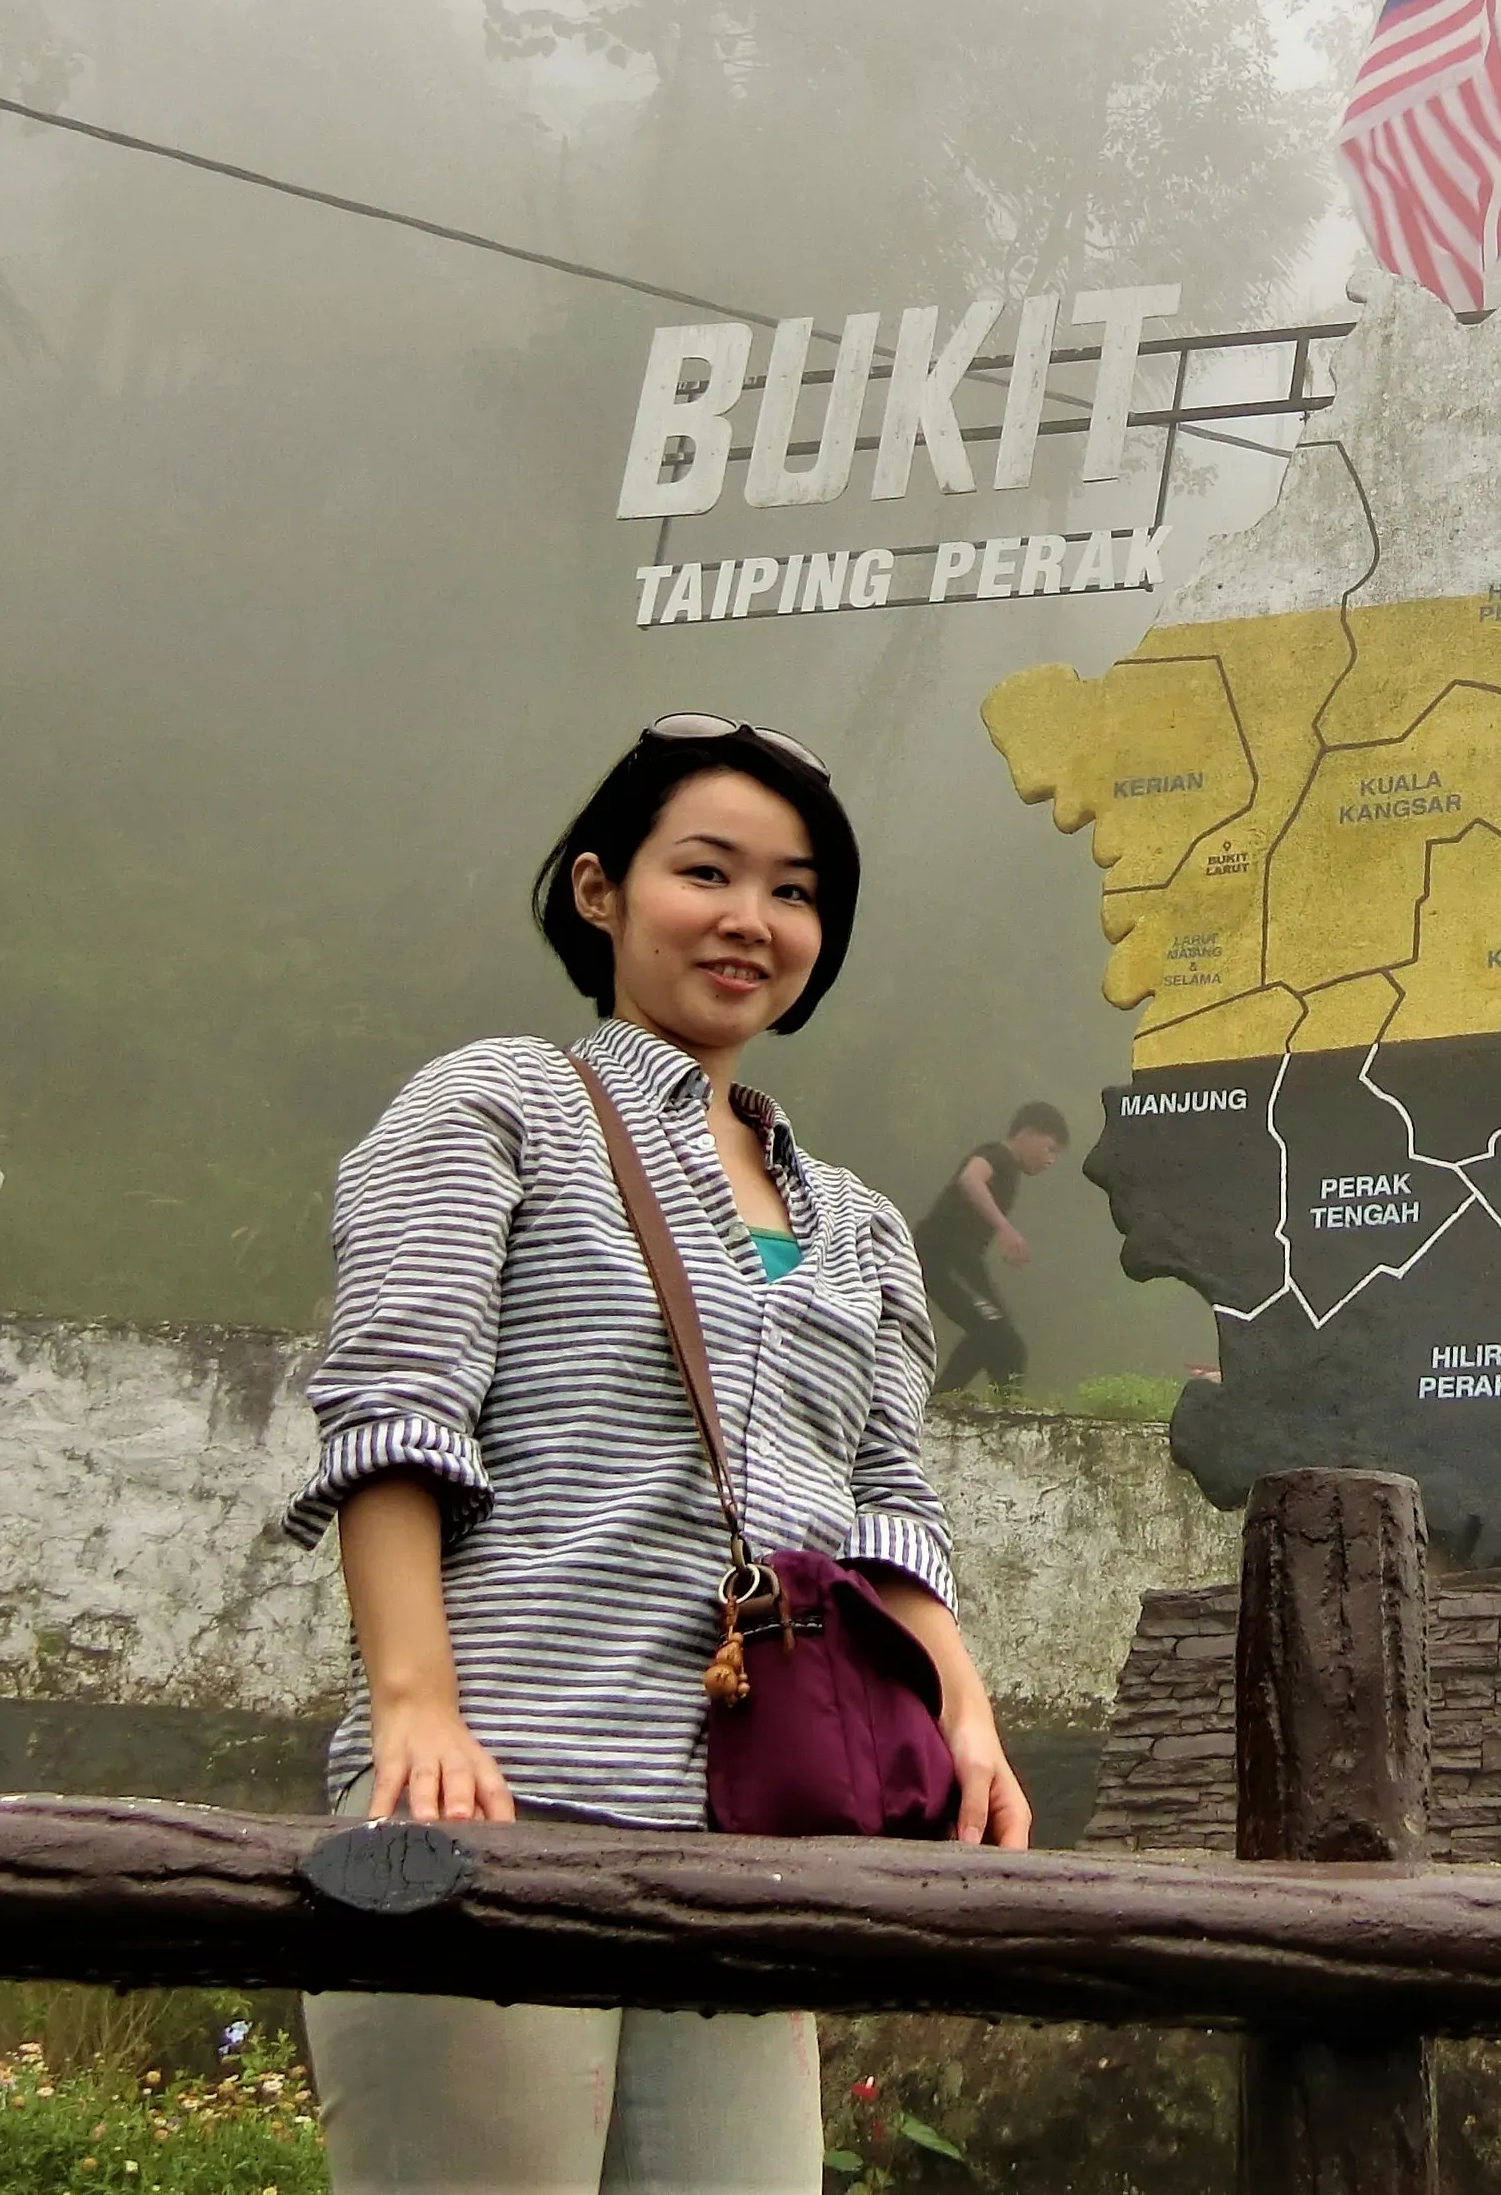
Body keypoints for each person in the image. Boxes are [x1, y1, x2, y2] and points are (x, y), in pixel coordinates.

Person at [285, 716, 1026, 2195]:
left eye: (798, 890)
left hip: (759, 1832)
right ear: (598, 890)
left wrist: (966, 1712)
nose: (754, 921)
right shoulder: (492, 1108)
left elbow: (888, 1502)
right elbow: (395, 1414)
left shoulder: (864, 1226)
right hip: (501, 1795)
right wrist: (417, 1711)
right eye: (709, 872)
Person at [917, 1102, 1068, 1395]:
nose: (1051, 1161)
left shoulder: (1009, 1171)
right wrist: (1005, 1229)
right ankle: (939, 1404)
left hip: (962, 1261)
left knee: (1008, 1345)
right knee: (993, 1330)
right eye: (1050, 1149)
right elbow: (970, 1179)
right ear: (1027, 1133)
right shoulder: (997, 1155)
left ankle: (1004, 1413)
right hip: (941, 1256)